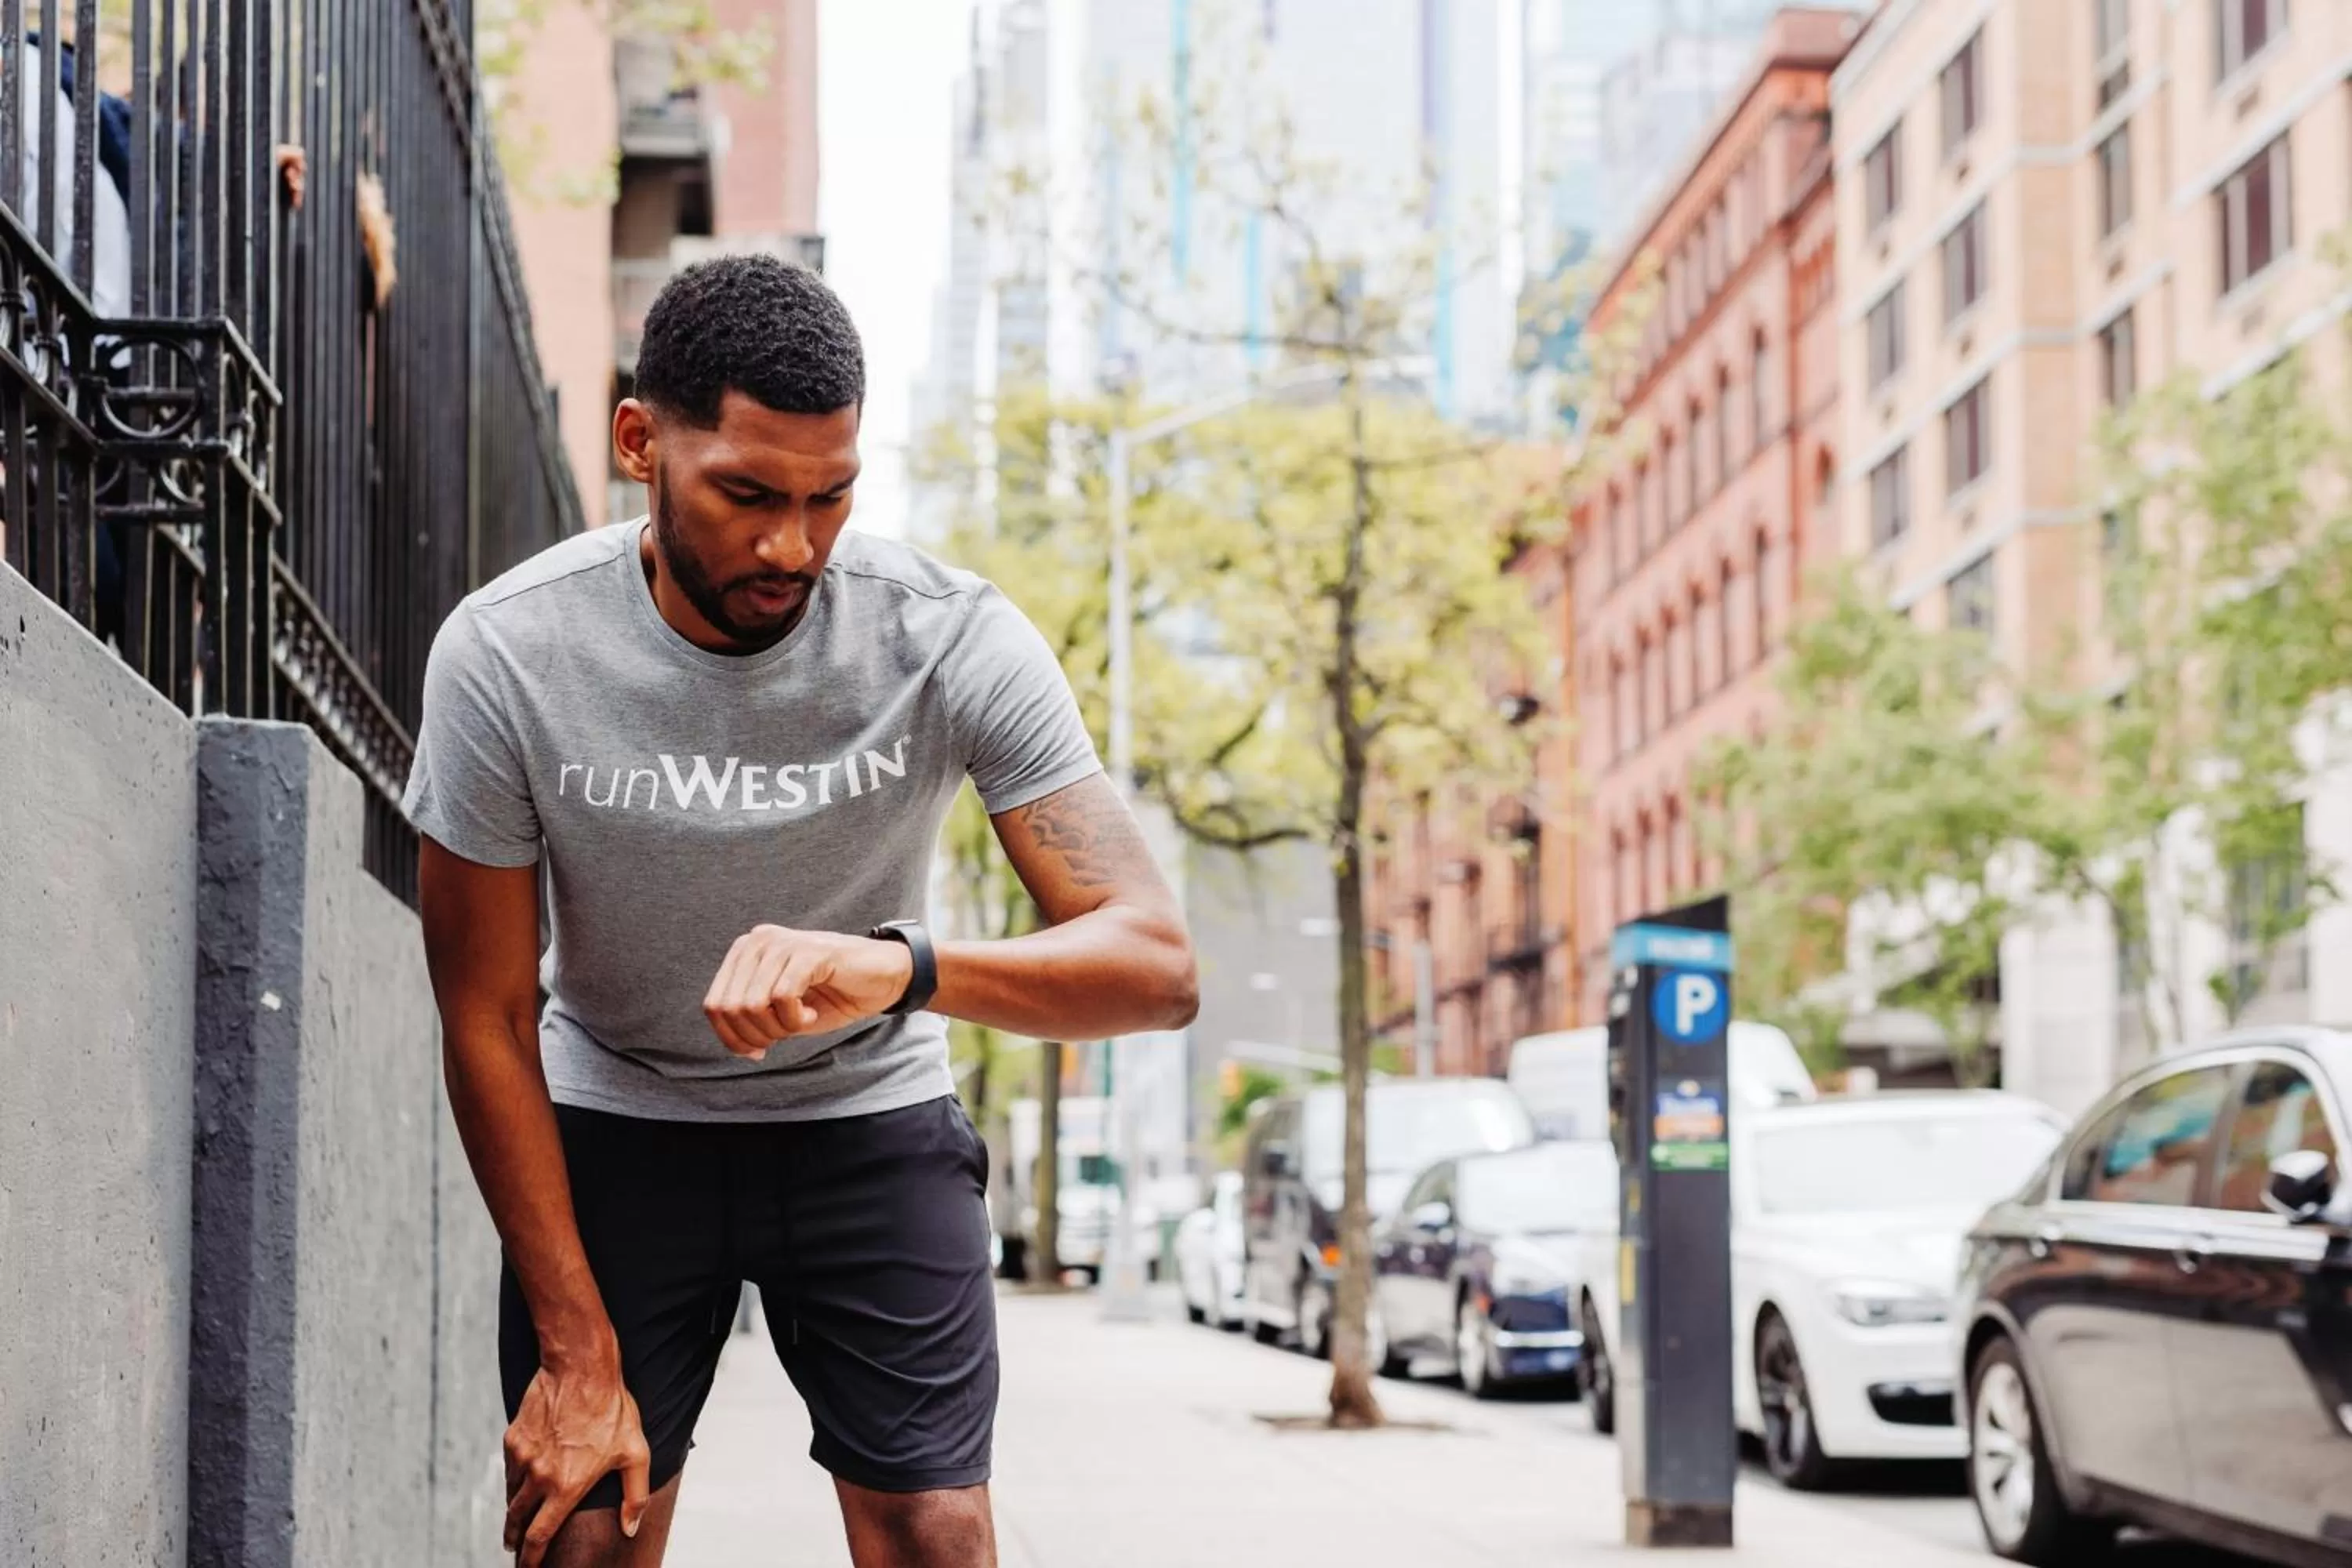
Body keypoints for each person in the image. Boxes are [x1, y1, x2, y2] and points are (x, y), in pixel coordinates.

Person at [405, 252, 1197, 1568]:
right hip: (620, 1117)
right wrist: (575, 1349)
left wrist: (903, 969)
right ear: (637, 443)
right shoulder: (510, 654)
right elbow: (483, 1014)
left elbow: (1156, 963)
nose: (792, 546)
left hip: (866, 1117)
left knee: (936, 1533)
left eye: (831, 499)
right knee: (582, 1534)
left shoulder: (946, 639)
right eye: (746, 495)